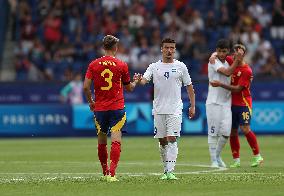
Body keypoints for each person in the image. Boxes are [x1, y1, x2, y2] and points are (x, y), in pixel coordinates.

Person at [136, 38, 195, 180]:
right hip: (158, 109)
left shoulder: (181, 66)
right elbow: (145, 80)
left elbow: (189, 86)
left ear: (175, 50)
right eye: (167, 47)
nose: (169, 50)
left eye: (172, 48)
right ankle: (165, 169)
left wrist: (192, 105)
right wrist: (139, 79)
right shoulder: (154, 66)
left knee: (172, 138)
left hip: (175, 109)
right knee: (162, 141)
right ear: (161, 49)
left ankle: (170, 171)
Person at [83, 35, 139, 182]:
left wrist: (91, 101)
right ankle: (112, 174)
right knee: (116, 138)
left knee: (101, 140)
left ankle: (104, 172)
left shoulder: (93, 64)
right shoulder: (122, 65)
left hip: (100, 108)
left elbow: (85, 87)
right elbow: (129, 88)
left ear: (103, 47)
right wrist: (135, 81)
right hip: (117, 107)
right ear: (115, 48)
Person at [210, 44, 264, 168]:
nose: (235, 56)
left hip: (243, 103)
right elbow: (219, 55)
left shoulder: (247, 70)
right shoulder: (231, 61)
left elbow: (237, 89)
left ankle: (257, 156)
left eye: (238, 53)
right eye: (234, 53)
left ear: (243, 54)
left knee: (245, 129)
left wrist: (220, 84)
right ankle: (236, 160)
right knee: (233, 132)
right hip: (231, 104)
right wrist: (213, 56)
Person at [206, 39, 241, 168]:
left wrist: (237, 59)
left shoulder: (229, 61)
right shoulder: (213, 61)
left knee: (226, 133)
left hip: (226, 102)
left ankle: (217, 156)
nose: (221, 53)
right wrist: (236, 60)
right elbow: (227, 72)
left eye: (224, 51)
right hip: (213, 102)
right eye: (219, 51)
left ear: (228, 51)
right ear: (216, 50)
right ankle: (213, 160)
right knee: (213, 132)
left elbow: (237, 63)